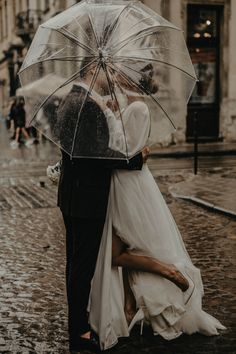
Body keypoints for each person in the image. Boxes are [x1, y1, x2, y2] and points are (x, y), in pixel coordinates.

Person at [88, 72, 226, 351]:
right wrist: (112, 112)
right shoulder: (129, 105)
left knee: (120, 252)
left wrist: (108, 115)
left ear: (130, 80)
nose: (114, 76)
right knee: (122, 249)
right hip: (121, 182)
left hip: (128, 184)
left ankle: (171, 273)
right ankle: (129, 309)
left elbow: (126, 151)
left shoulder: (137, 108)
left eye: (119, 74)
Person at [56, 61, 150, 353]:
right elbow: (95, 157)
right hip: (87, 199)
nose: (111, 77)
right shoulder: (86, 105)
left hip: (73, 195)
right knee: (82, 267)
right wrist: (134, 159)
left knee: (75, 264)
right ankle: (80, 332)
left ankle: (78, 323)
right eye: (108, 72)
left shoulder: (70, 99)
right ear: (92, 71)